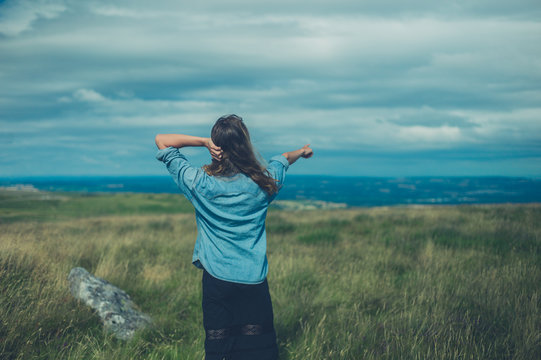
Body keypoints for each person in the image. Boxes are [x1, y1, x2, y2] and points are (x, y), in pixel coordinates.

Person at [155, 114, 313, 360]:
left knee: (220, 350)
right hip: (253, 278)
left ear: (218, 147)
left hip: (217, 279)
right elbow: (282, 159)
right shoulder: (264, 183)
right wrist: (302, 152)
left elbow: (162, 140)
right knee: (258, 349)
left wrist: (204, 142)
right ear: (245, 144)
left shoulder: (199, 183)